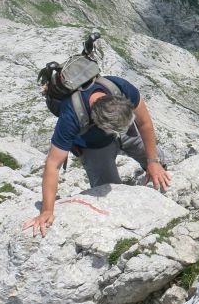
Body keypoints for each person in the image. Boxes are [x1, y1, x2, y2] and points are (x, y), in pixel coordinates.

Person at [24, 75, 170, 236]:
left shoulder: (120, 87)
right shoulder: (71, 116)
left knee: (155, 158)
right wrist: (46, 211)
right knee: (111, 196)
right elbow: (53, 165)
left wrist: (153, 162)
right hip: (93, 146)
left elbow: (144, 123)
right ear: (97, 123)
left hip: (126, 132)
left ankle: (156, 167)